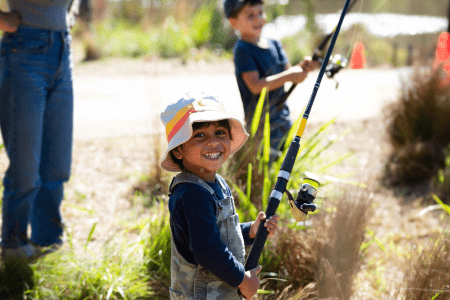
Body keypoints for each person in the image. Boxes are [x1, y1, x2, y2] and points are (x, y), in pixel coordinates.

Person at [160, 92, 280, 300]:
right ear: (178, 150)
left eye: (220, 133)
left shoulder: (217, 184)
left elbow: (217, 235)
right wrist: (243, 279)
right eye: (199, 135)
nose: (213, 142)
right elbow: (208, 250)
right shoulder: (191, 194)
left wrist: (250, 231)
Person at [0, 0, 77, 261]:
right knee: (26, 167)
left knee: (57, 165)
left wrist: (71, 11)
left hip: (62, 49)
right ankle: (14, 247)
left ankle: (48, 246)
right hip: (24, 48)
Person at [225, 0, 318, 153]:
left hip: (283, 119)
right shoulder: (242, 49)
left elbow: (288, 72)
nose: (258, 18)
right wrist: (289, 75)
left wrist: (302, 67)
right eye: (250, 15)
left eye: (261, 12)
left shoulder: (275, 44)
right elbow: (255, 86)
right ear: (234, 22)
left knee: (285, 164)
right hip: (261, 127)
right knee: (265, 169)